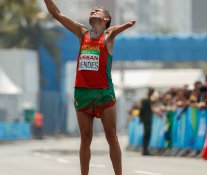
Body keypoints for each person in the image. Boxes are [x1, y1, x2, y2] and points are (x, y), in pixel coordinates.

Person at [44, 1, 135, 175]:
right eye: (93, 9)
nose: (93, 10)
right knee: (85, 139)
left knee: (111, 136)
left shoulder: (107, 36)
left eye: (98, 11)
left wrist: (125, 26)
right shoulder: (82, 32)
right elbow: (56, 14)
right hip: (83, 93)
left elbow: (113, 31)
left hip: (104, 93)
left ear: (106, 19)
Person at [139, 88, 154, 155]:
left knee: (147, 134)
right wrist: (141, 118)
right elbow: (142, 110)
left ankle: (145, 149)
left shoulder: (148, 99)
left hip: (147, 119)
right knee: (147, 134)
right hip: (146, 119)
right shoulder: (146, 99)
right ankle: (145, 150)